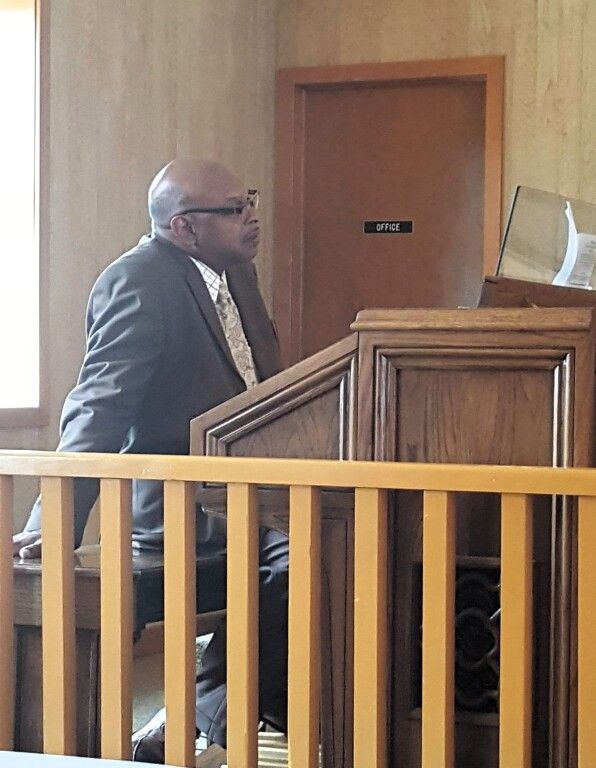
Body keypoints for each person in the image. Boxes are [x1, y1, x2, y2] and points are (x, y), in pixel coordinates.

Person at [12, 157, 289, 762]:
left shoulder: (237, 274)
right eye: (234, 209)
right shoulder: (138, 281)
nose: (252, 218)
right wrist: (54, 519)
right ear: (184, 227)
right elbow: (99, 408)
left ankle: (206, 712)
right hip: (182, 502)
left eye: (251, 200)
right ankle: (199, 720)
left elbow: (263, 388)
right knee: (304, 554)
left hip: (253, 489)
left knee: (336, 538)